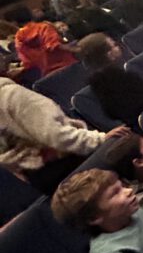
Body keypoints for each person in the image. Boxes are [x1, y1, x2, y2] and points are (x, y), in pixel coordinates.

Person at [0, 58, 126, 190]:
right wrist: (100, 139)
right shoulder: (12, 95)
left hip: (38, 176)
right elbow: (57, 136)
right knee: (128, 144)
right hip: (67, 162)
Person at [79, 31, 143, 128]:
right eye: (114, 45)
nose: (118, 47)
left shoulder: (97, 83)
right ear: (109, 54)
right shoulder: (118, 78)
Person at [13, 19, 78, 77]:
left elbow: (27, 63)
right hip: (69, 65)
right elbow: (54, 45)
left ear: (14, 23)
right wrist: (75, 49)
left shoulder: (18, 40)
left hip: (49, 74)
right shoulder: (43, 27)